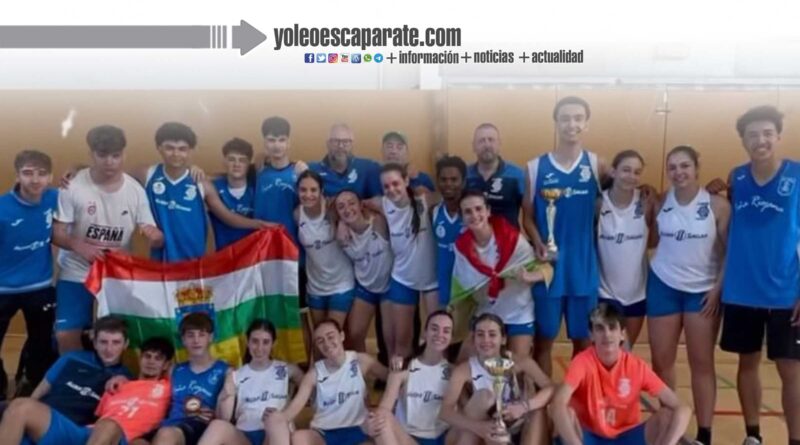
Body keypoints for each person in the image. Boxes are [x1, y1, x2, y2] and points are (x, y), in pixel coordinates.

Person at [719, 105, 800, 445]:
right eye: (752, 135)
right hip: (742, 290)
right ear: (743, 140)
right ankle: (753, 435)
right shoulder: (737, 178)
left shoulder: (797, 176)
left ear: (778, 136)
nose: (760, 140)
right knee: (747, 363)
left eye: (767, 133)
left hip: (786, 294)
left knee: (791, 370)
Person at [51, 125, 163, 353]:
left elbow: (152, 232)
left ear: (124, 155)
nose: (110, 162)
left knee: (118, 336)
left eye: (116, 155)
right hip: (76, 271)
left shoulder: (135, 191)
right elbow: (57, 233)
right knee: (65, 335)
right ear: (91, 154)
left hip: (116, 274)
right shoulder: (72, 186)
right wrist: (79, 245)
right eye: (102, 155)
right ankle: (79, 375)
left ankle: (114, 374)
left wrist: (155, 236)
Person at [647, 145, 730, 445]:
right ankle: (669, 425)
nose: (678, 172)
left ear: (697, 167)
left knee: (702, 362)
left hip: (703, 291)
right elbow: (651, 241)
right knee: (662, 361)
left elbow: (730, 252)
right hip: (663, 285)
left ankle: (704, 433)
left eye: (685, 166)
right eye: (672, 167)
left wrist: (717, 289)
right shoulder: (661, 201)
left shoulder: (718, 205)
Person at [522, 96, 605, 376]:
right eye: (565, 118)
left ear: (587, 123)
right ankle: (544, 400)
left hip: (583, 269)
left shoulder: (597, 165)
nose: (572, 124)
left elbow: (622, 192)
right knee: (543, 341)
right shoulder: (535, 167)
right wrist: (538, 242)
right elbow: (527, 217)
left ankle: (577, 398)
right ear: (556, 123)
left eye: (578, 118)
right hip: (548, 270)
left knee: (584, 343)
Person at [551, 303, 691, 445]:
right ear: (591, 335)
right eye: (600, 328)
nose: (607, 334)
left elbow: (683, 408)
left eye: (612, 327)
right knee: (566, 414)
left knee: (666, 416)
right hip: (590, 437)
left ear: (622, 334)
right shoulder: (582, 362)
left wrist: (669, 443)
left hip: (627, 437)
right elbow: (558, 403)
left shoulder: (636, 366)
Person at [143, 122, 269, 262]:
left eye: (182, 149)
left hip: (196, 262)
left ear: (190, 150)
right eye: (170, 148)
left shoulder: (203, 184)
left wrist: (261, 224)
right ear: (159, 148)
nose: (176, 154)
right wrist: (144, 223)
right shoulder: (147, 174)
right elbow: (126, 188)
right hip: (160, 261)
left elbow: (227, 217)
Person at [15, 336, 175, 445]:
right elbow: (97, 417)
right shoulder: (116, 386)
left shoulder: (168, 387)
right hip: (90, 434)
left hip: (124, 438)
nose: (151, 362)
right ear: (140, 358)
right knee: (20, 406)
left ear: (166, 365)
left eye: (158, 358)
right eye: (147, 356)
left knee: (110, 425)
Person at [453, 190, 551, 361]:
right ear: (462, 217)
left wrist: (529, 277)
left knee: (519, 367)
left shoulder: (512, 239)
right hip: (486, 313)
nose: (474, 215)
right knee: (464, 361)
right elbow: (463, 286)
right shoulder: (461, 247)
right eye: (468, 212)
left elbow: (547, 270)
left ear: (488, 211)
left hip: (518, 313)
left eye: (478, 209)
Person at [0, 316, 132, 443]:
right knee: (15, 407)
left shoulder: (126, 379)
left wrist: (125, 383)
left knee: (21, 407)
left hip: (77, 430)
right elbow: (38, 394)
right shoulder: (71, 358)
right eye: (103, 342)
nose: (109, 349)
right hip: (45, 419)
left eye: (116, 343)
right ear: (95, 343)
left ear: (125, 344)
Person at [265, 319, 388, 445]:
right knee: (298, 437)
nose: (327, 343)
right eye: (320, 341)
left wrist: (382, 407)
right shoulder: (314, 374)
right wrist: (277, 417)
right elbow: (294, 408)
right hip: (324, 432)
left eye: (330, 337)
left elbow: (390, 379)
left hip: (359, 428)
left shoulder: (360, 361)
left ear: (341, 336)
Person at [439, 313, 553, 445]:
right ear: (474, 339)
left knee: (537, 410)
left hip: (514, 427)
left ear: (503, 339)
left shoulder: (519, 362)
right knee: (484, 397)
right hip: (480, 431)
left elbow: (551, 388)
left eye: (492, 334)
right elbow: (445, 412)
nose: (486, 340)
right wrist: (478, 427)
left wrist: (524, 406)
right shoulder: (464, 370)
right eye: (480, 334)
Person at [0, 150, 59, 397]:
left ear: (50, 177)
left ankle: (29, 383)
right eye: (27, 173)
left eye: (42, 173)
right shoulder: (2, 208)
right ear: (17, 176)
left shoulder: (55, 197)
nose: (35, 180)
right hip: (3, 289)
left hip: (40, 287)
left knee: (41, 344)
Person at [253, 116, 311, 364]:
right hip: (263, 259)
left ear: (289, 142)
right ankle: (273, 369)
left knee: (298, 316)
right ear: (264, 142)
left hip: (294, 258)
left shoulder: (300, 173)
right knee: (268, 316)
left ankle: (304, 369)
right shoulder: (257, 172)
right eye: (271, 140)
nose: (276, 145)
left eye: (281, 139)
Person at [198, 319, 303, 445]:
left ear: (273, 344)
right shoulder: (236, 375)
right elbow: (224, 418)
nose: (259, 348)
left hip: (274, 433)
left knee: (275, 419)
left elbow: (310, 390)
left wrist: (288, 412)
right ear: (247, 342)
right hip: (244, 436)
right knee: (217, 426)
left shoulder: (287, 369)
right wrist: (227, 393)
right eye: (255, 341)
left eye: (266, 342)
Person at [373, 163, 438, 360]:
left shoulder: (424, 199)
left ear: (406, 181)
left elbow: (452, 197)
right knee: (401, 343)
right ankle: (401, 378)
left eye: (396, 183)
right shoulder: (383, 204)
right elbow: (355, 204)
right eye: (386, 186)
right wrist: (342, 225)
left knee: (438, 338)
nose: (391, 189)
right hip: (402, 278)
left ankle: (436, 375)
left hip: (432, 280)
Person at [366, 310, 454, 445]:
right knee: (381, 419)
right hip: (408, 438)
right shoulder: (403, 368)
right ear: (425, 333)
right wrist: (372, 422)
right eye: (434, 329)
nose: (440, 335)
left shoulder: (454, 372)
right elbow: (385, 407)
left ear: (451, 337)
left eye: (446, 331)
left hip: (441, 438)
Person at [596, 150, 656, 346]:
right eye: (626, 170)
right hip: (605, 292)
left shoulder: (646, 202)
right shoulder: (598, 203)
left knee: (626, 351)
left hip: (636, 293)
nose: (631, 176)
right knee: (608, 350)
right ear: (614, 172)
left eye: (637, 172)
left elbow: (654, 241)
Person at [145, 312, 230, 445]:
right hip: (168, 426)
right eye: (190, 335)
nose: (196, 340)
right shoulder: (174, 370)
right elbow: (149, 386)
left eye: (201, 335)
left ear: (210, 337)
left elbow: (227, 414)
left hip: (201, 429)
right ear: (183, 339)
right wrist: (121, 379)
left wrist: (216, 415)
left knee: (166, 434)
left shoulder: (225, 371)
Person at [334, 189, 393, 352]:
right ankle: (361, 367)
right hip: (365, 287)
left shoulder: (378, 223)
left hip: (388, 287)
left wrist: (369, 204)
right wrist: (341, 223)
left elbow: (392, 208)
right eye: (341, 207)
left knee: (390, 339)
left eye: (351, 203)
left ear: (360, 205)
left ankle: (392, 368)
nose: (347, 209)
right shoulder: (342, 236)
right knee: (355, 335)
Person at [296, 170, 356, 328]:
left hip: (341, 283)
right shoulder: (297, 215)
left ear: (321, 191)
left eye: (313, 190)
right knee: (320, 336)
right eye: (303, 190)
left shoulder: (332, 208)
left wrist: (341, 222)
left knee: (333, 333)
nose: (308, 195)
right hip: (315, 287)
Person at [465, 123, 526, 227]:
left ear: (499, 144)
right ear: (473, 146)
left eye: (491, 140)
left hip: (508, 237)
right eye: (481, 141)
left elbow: (530, 214)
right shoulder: (465, 175)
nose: (487, 145)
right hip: (473, 236)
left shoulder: (517, 175)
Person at [309, 123, 383, 198]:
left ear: (352, 144)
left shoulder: (368, 167)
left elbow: (379, 199)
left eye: (346, 141)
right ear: (327, 144)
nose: (340, 146)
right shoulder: (311, 169)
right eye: (336, 141)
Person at [431, 156, 467, 309]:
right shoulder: (434, 212)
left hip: (469, 291)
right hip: (442, 290)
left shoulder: (472, 214)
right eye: (443, 179)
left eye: (454, 179)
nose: (448, 184)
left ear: (463, 182)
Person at [209, 138, 257, 250]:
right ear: (224, 161)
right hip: (224, 255)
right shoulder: (213, 187)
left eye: (242, 160)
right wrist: (194, 169)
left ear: (249, 163)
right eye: (231, 159)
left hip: (253, 256)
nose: (236, 164)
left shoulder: (257, 189)